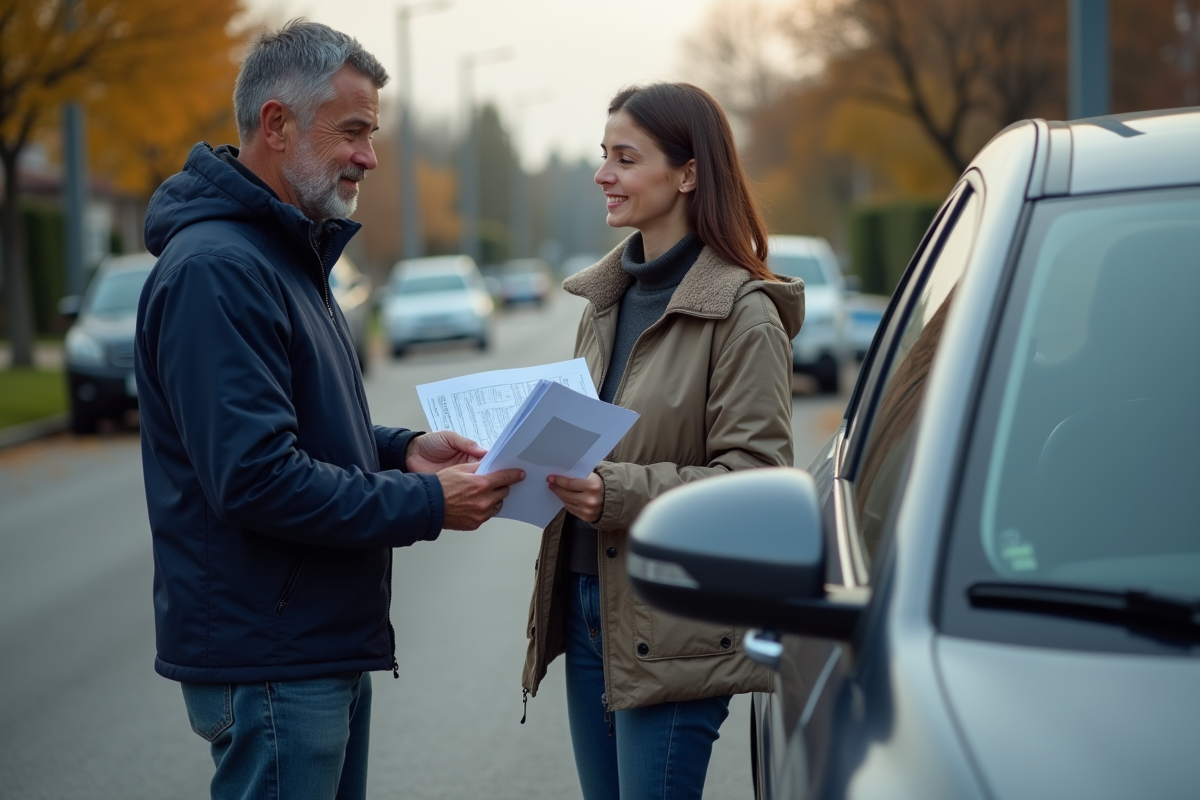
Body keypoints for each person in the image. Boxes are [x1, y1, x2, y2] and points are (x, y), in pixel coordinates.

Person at [135, 20, 523, 800]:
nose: (369, 157)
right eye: (353, 131)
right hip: (275, 659)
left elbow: (297, 429)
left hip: (306, 645)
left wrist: (401, 451)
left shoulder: (281, 253)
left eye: (371, 134)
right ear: (276, 125)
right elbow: (255, 477)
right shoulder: (220, 269)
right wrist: (425, 502)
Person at [520, 83, 805, 799]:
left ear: (688, 173)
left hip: (675, 620)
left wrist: (613, 492)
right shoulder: (605, 302)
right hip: (588, 608)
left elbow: (756, 484)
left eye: (625, 157)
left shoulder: (743, 315)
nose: (602, 174)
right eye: (602, 155)